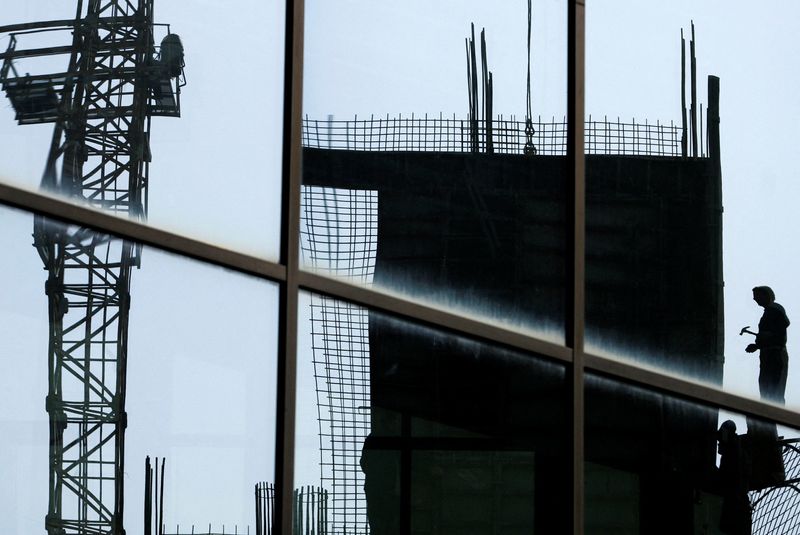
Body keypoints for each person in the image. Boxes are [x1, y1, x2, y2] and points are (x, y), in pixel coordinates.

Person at [745, 286, 790, 404]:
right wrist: (757, 346)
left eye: (757, 296)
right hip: (768, 355)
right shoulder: (769, 312)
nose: (754, 300)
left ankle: (774, 415)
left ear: (766, 295)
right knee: (766, 391)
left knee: (774, 392)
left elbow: (779, 333)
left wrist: (766, 336)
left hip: (775, 355)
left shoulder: (775, 310)